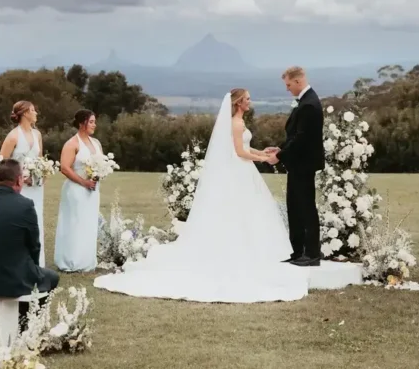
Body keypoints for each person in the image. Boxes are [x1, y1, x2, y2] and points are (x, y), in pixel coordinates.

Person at [94, 89, 309, 303]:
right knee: (242, 213)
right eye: (248, 99)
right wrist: (263, 160)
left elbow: (246, 147)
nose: (250, 102)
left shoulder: (239, 123)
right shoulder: (236, 123)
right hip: (240, 171)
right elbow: (239, 152)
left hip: (244, 171)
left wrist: (263, 152)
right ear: (239, 103)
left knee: (248, 213)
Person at [0, 159, 60, 303]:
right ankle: (29, 320)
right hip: (13, 280)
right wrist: (33, 268)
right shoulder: (25, 205)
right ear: (18, 180)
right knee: (52, 277)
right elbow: (34, 246)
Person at [264, 66, 325, 267]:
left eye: (289, 84)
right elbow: (295, 136)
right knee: (295, 208)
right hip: (298, 165)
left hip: (304, 165)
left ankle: (312, 254)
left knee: (305, 208)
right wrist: (279, 148)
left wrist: (279, 156)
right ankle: (298, 251)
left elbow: (301, 139)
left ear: (298, 82)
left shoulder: (309, 104)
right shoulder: (306, 101)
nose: (288, 89)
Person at [54, 109, 103, 272]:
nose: (94, 125)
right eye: (91, 122)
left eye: (94, 122)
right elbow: (65, 168)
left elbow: (101, 163)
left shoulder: (96, 143)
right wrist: (84, 182)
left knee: (88, 222)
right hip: (76, 189)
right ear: (82, 124)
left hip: (93, 189)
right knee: (74, 223)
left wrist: (99, 175)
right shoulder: (72, 144)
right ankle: (71, 261)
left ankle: (87, 260)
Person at [1, 100, 46, 267]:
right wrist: (18, 177)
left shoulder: (38, 134)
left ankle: (37, 261)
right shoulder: (13, 136)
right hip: (18, 187)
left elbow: (40, 158)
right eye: (33, 110)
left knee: (36, 218)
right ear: (25, 113)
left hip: (36, 186)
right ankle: (18, 260)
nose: (36, 113)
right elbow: (2, 163)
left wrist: (43, 173)